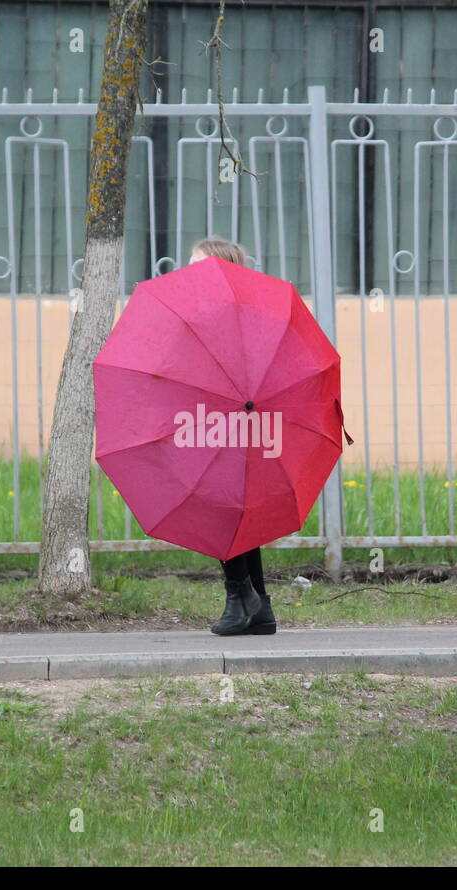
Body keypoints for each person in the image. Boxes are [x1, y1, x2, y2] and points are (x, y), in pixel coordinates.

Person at [187, 237, 276, 636]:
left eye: (197, 265)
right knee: (235, 508)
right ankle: (259, 605)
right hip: (223, 420)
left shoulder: (226, 314)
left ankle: (239, 598)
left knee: (222, 508)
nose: (187, 273)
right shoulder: (221, 310)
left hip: (227, 421)